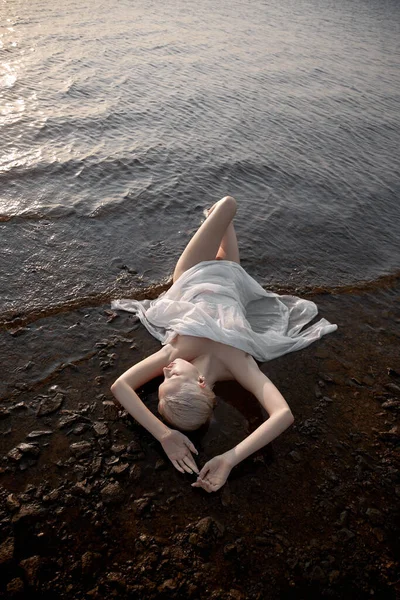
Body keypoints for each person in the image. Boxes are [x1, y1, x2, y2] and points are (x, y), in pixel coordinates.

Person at [110, 196, 337, 492]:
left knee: (224, 213)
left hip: (192, 274)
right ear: (202, 382)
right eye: (173, 377)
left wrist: (164, 435)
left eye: (162, 379)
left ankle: (215, 219)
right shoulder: (235, 362)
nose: (165, 370)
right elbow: (284, 414)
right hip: (232, 277)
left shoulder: (177, 353)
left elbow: (119, 386)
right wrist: (230, 458)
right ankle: (217, 217)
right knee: (228, 205)